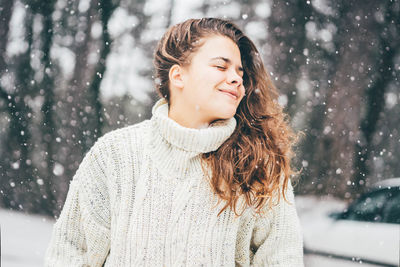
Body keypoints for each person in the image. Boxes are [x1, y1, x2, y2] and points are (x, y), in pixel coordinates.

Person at [44, 17, 304, 266]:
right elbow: (70, 253)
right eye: (220, 66)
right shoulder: (114, 155)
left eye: (240, 72)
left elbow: (282, 260)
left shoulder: (260, 166)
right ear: (178, 76)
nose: (237, 79)